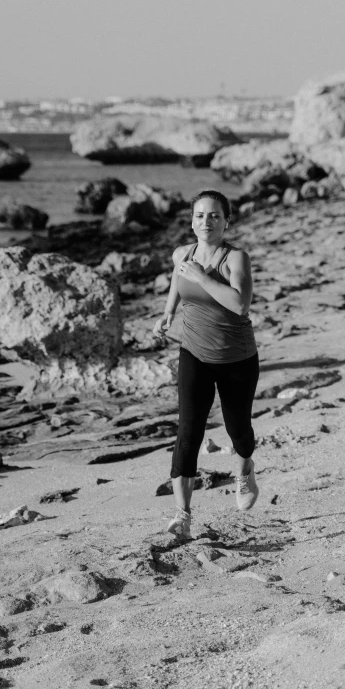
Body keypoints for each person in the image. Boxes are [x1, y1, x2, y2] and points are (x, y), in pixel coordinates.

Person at [153, 189, 259, 539]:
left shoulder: (235, 258)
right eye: (200, 215)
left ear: (227, 220)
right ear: (192, 220)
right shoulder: (182, 254)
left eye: (214, 215)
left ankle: (244, 470)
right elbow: (177, 279)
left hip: (237, 358)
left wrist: (202, 278)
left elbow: (240, 305)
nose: (206, 221)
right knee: (188, 432)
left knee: (238, 430)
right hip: (193, 352)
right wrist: (168, 313)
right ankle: (182, 515)